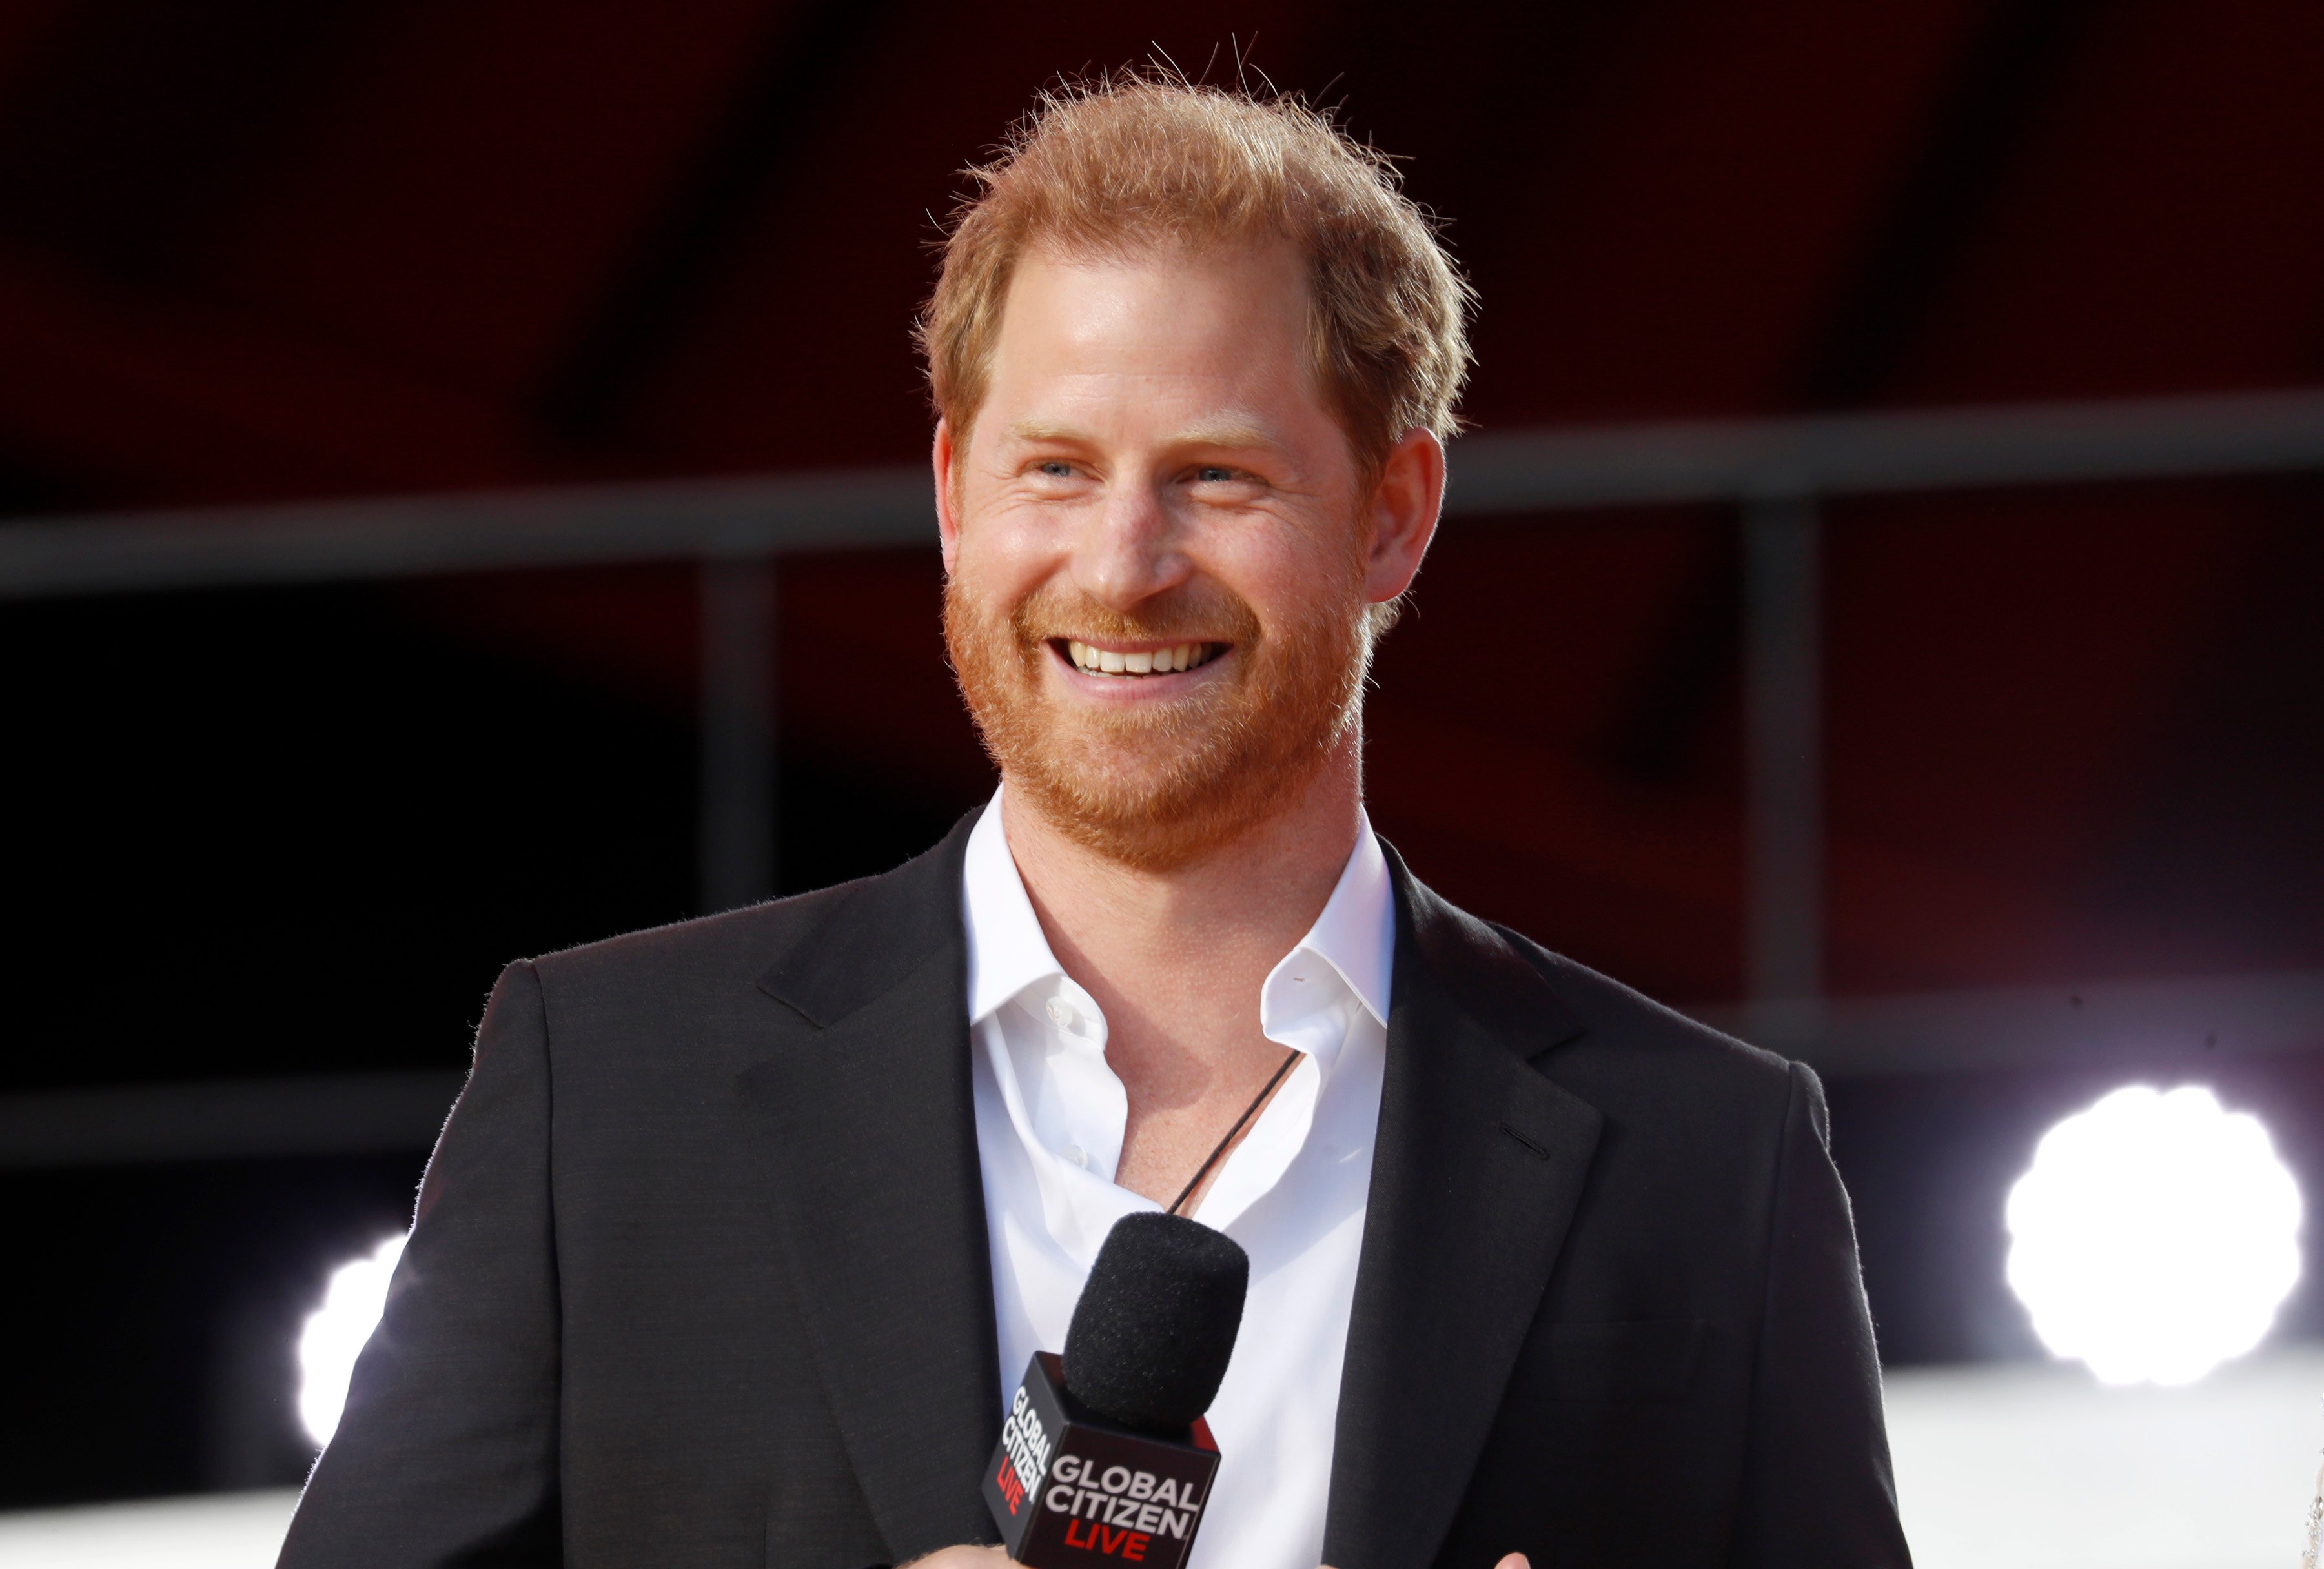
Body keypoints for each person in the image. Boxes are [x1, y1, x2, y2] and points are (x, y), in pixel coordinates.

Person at [279, 76, 1911, 1569]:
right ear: (950, 496)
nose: (1123, 565)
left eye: (1216, 477)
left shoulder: (1710, 1160)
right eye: (1054, 469)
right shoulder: (608, 1088)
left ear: (1394, 517)